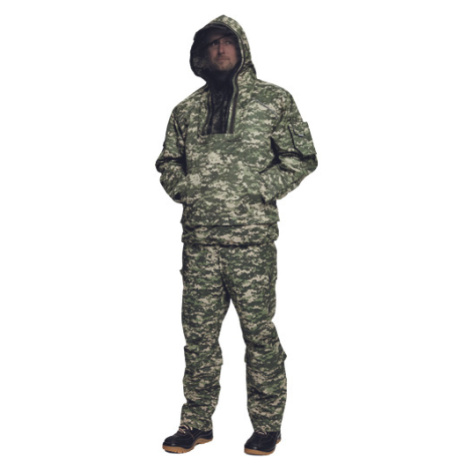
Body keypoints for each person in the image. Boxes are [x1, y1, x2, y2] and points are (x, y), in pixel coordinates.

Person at [156, 15, 317, 455]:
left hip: (251, 243)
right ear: (201, 54)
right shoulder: (186, 111)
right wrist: (189, 189)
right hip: (200, 245)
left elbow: (301, 156)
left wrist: (259, 188)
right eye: (212, 44)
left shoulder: (273, 100)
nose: (220, 49)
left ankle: (267, 425)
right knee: (199, 338)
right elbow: (168, 162)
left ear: (241, 47)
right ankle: (195, 423)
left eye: (227, 42)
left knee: (259, 336)